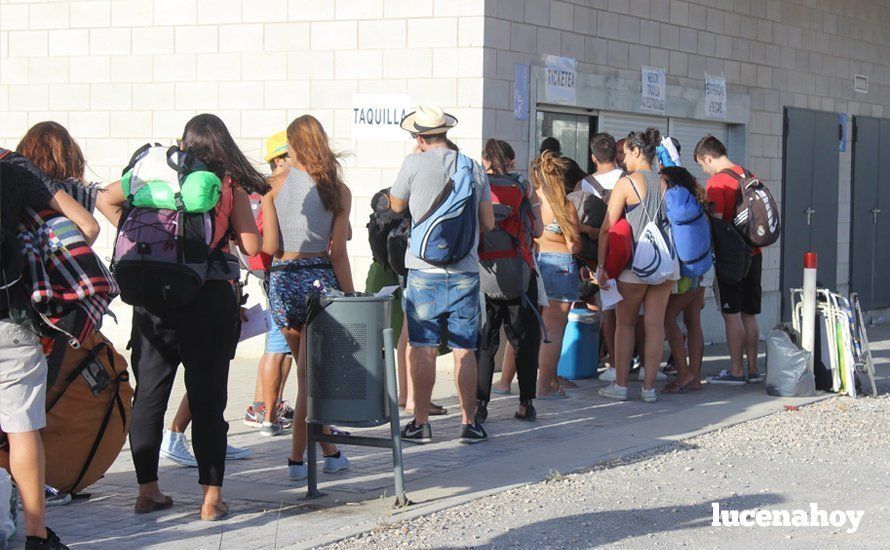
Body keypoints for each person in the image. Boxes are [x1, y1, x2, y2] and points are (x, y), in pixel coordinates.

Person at [97, 113, 265, 521]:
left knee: (150, 393)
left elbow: (104, 198)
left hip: (153, 296)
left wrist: (156, 240)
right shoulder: (226, 185)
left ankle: (147, 491)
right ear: (223, 144)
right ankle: (211, 499)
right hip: (208, 298)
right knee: (208, 397)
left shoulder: (156, 174)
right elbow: (251, 243)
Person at [2, 148, 101, 550]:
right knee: (22, 428)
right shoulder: (12, 168)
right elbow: (88, 227)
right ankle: (36, 535)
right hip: (10, 321)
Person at [390, 105, 495, 444]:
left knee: (423, 346)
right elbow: (488, 223)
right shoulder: (472, 166)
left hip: (424, 269)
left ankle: (421, 424)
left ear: (419, 137)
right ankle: (469, 423)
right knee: (465, 348)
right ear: (445, 132)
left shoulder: (412, 163)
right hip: (464, 269)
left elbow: (395, 206)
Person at [260, 115, 353, 479]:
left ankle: (326, 454)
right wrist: (349, 295)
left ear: (292, 146)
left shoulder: (273, 186)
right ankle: (299, 461)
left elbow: (268, 247)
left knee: (306, 376)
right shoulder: (337, 190)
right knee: (310, 378)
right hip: (319, 281)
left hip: (284, 281)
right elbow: (339, 253)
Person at [596, 128, 678, 403]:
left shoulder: (627, 184)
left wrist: (601, 265)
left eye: (626, 153)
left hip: (634, 265)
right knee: (655, 326)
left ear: (637, 151)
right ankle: (649, 389)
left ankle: (620, 386)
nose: (623, 159)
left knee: (625, 324)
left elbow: (607, 228)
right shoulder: (667, 183)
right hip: (665, 264)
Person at [475, 139, 542, 423]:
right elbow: (537, 230)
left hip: (484, 273)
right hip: (519, 273)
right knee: (524, 340)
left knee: (485, 343)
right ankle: (526, 404)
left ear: (485, 160)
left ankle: (479, 406)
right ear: (512, 162)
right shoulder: (522, 190)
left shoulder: (477, 189)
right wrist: (534, 198)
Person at [694, 135, 763, 385]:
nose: (703, 169)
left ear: (708, 157)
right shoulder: (747, 174)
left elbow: (717, 222)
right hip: (754, 253)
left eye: (702, 164)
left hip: (732, 258)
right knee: (749, 313)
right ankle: (754, 369)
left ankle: (735, 371)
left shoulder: (718, 181)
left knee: (731, 313)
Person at [244, 130, 295, 434]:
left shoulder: (267, 187)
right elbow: (270, 240)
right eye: (291, 154)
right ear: (278, 159)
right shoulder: (275, 189)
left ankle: (267, 404)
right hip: (276, 272)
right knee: (277, 346)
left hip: (268, 272)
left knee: (281, 347)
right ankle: (262, 407)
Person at [533, 151, 582, 399]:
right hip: (560, 264)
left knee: (533, 329)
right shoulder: (564, 204)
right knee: (553, 332)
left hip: (534, 262)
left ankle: (529, 382)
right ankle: (545, 385)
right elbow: (574, 245)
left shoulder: (531, 201)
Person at [658, 166, 710, 393]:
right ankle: (695, 378)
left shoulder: (670, 203)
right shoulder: (696, 202)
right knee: (694, 322)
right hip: (704, 268)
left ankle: (683, 374)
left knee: (667, 318)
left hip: (685, 272)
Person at [580, 133, 624, 381]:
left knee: (609, 311)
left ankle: (614, 363)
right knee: (634, 312)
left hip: (601, 252)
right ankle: (635, 361)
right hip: (631, 250)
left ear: (594, 158)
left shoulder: (586, 184)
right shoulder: (629, 178)